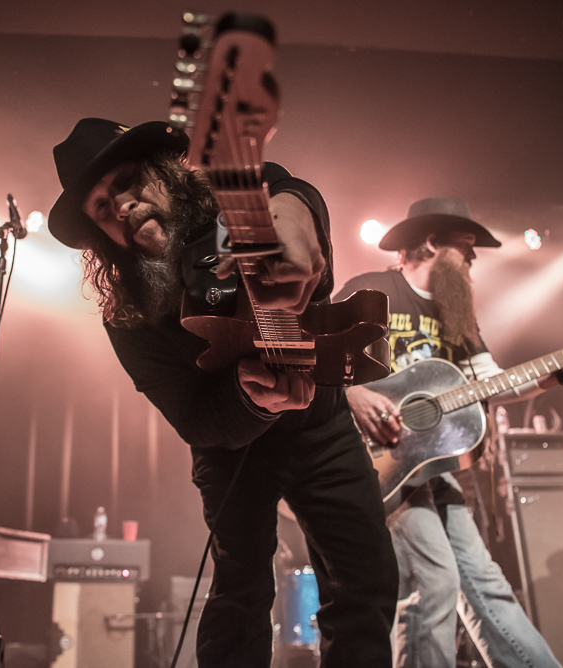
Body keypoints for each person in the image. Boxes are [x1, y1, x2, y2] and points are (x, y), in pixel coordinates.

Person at [47, 118, 398, 667]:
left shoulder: (231, 203)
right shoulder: (128, 314)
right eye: (99, 207)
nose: (120, 205)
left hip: (322, 425)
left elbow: (288, 191)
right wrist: (249, 398)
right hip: (233, 448)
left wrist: (294, 220)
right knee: (241, 592)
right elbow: (192, 417)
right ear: (98, 232)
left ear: (163, 170)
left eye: (128, 181)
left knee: (368, 581)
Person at [335, 197, 563, 668]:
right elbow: (317, 354)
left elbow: (496, 383)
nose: (474, 260)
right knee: (434, 583)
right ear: (431, 242)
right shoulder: (371, 289)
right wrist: (352, 395)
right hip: (375, 464)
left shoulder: (457, 318)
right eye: (467, 248)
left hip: (431, 468)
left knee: (487, 588)